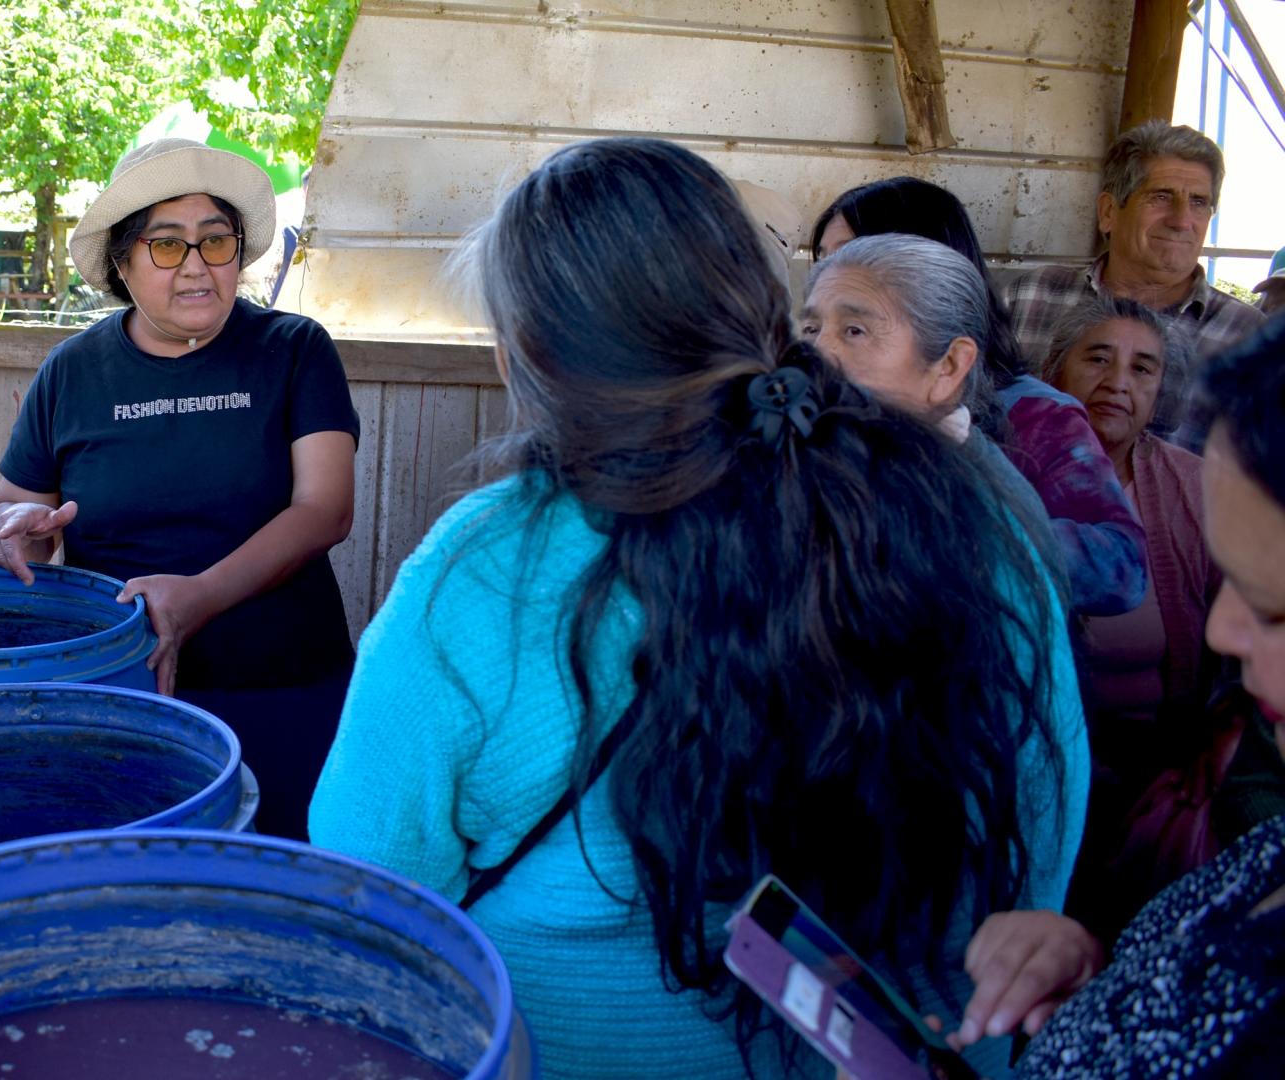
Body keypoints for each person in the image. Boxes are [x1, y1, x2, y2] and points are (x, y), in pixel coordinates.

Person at [308, 137, 1089, 1078]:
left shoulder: (487, 566)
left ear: (527, 360)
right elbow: (1038, 833)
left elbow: (374, 885)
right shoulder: (963, 513)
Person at [0, 138, 359, 842]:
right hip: (121, 693)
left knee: (280, 880)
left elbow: (325, 510)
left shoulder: (293, 350)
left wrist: (198, 599)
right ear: (122, 262)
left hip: (285, 687)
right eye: (166, 244)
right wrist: (22, 529)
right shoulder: (72, 371)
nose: (195, 265)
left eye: (215, 241)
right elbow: (17, 510)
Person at [938, 314, 1285, 1078]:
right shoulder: (1267, 855)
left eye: (1274, 607)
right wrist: (1104, 979)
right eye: (1097, 358)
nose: (1223, 631)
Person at [812, 177, 1149, 616]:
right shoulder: (817, 408)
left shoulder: (1033, 413)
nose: (829, 280)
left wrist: (957, 535)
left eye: (854, 255)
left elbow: (1121, 568)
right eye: (822, 260)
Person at [1038, 296, 1233, 941]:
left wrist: (1217, 735)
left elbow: (1244, 634)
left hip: (1155, 772)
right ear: (1055, 370)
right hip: (1039, 766)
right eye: (1097, 358)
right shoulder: (1011, 468)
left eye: (1142, 368)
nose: (1118, 382)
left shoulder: (1194, 486)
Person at [1003, 121, 1264, 450]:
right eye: (1161, 197)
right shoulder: (1031, 296)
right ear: (1109, 212)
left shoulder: (1249, 337)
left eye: (1198, 202)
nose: (1182, 220)